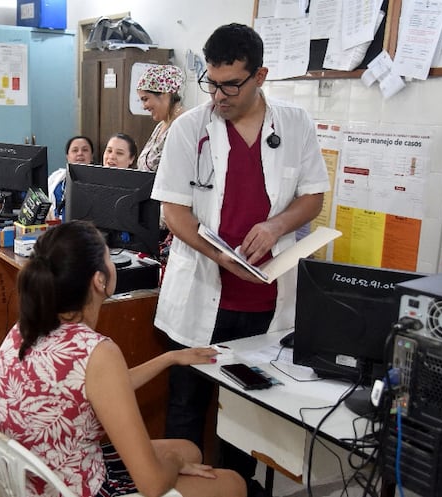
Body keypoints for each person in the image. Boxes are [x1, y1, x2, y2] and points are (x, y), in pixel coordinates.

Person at [151, 24, 330, 494]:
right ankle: (181, 491)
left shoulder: (295, 125)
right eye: (212, 82)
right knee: (187, 405)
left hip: (265, 304)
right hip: (200, 299)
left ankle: (236, 488)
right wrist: (220, 257)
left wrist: (275, 226)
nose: (219, 95)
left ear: (261, 76)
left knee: (245, 413)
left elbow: (313, 197)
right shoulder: (191, 128)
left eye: (232, 84)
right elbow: (173, 211)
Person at [0, 221, 246, 497]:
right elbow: (153, 484)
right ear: (100, 280)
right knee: (232, 484)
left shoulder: (27, 328)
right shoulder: (97, 351)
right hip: (77, 487)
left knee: (191, 449)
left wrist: (170, 358)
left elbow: (101, 388)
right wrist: (174, 463)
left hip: (43, 475)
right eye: (110, 257)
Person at [136, 64, 185, 172]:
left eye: (145, 99)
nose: (144, 106)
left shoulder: (183, 126)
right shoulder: (161, 126)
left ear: (164, 93)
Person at [48, 135, 94, 221]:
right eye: (75, 150)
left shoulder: (98, 182)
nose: (80, 153)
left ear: (91, 156)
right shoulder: (56, 178)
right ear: (67, 156)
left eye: (85, 150)